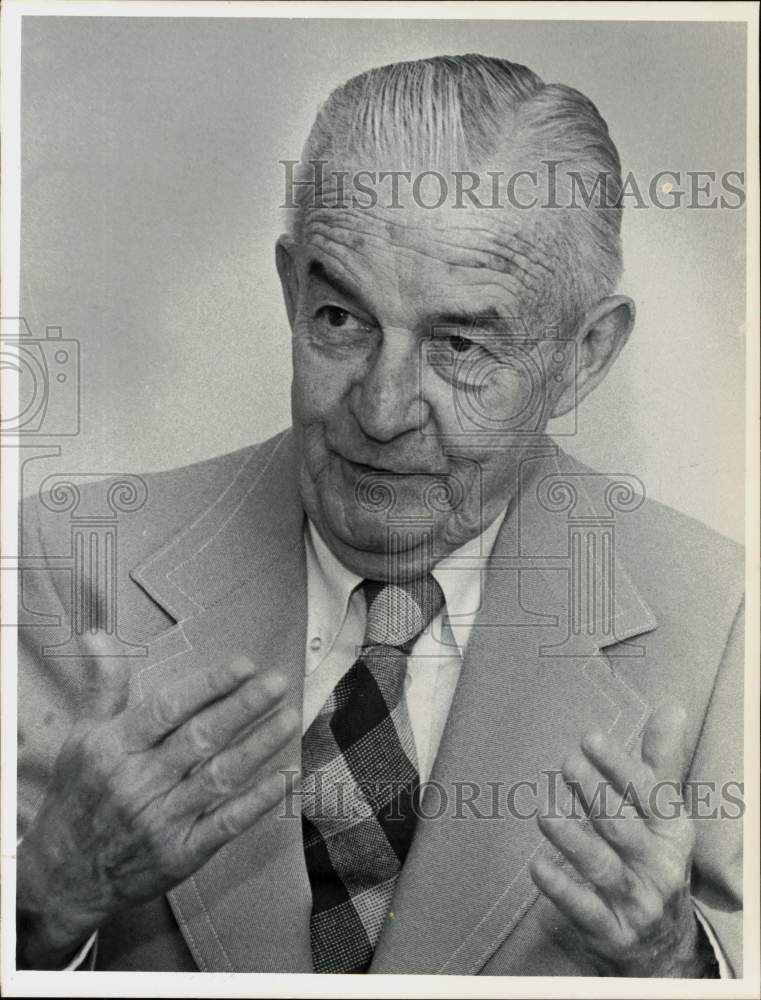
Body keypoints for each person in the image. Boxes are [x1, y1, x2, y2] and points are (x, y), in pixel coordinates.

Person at [16, 54, 742, 976]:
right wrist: (41, 904)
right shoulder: (62, 564)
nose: (382, 407)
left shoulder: (720, 619)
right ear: (291, 289)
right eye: (339, 320)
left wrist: (674, 963)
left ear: (584, 354)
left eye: (461, 343)